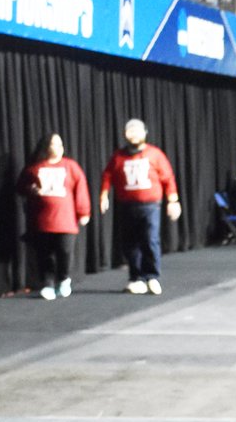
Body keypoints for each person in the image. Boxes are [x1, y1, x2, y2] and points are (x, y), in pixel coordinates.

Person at [99, 119, 181, 295]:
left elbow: (168, 178)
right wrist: (104, 195)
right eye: (130, 131)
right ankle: (136, 278)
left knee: (150, 239)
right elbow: (107, 175)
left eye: (137, 131)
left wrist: (173, 201)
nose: (134, 134)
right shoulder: (119, 156)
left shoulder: (154, 154)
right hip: (127, 205)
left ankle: (152, 276)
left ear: (145, 133)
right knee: (130, 243)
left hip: (150, 205)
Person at [16, 132, 90, 300]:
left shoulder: (70, 166)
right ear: (46, 147)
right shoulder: (36, 167)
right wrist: (31, 189)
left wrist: (83, 211)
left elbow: (81, 188)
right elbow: (21, 186)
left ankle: (64, 279)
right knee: (45, 254)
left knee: (65, 250)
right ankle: (47, 283)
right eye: (54, 144)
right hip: (42, 220)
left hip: (65, 220)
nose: (58, 148)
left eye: (60, 144)